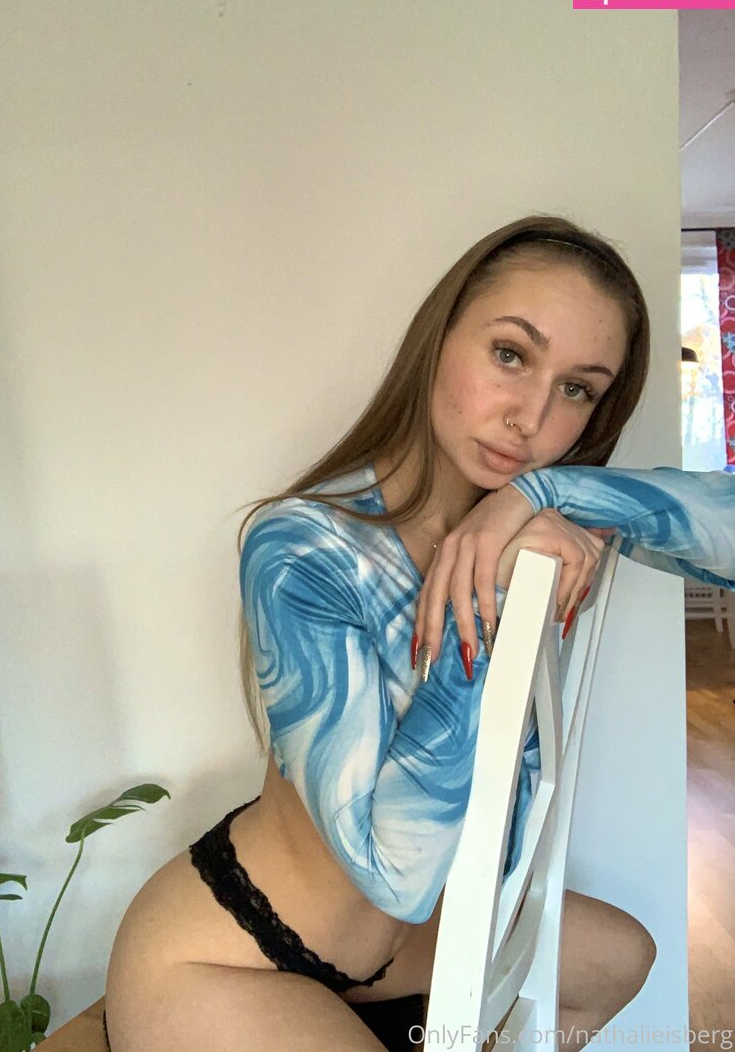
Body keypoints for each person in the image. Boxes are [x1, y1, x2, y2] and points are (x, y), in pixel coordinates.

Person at [103, 214, 735, 1051]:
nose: (531, 416)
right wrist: (494, 593)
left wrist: (550, 495)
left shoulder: (537, 525)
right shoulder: (303, 547)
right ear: (439, 341)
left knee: (622, 957)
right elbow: (394, 873)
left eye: (577, 389)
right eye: (510, 354)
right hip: (235, 953)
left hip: (406, 943)